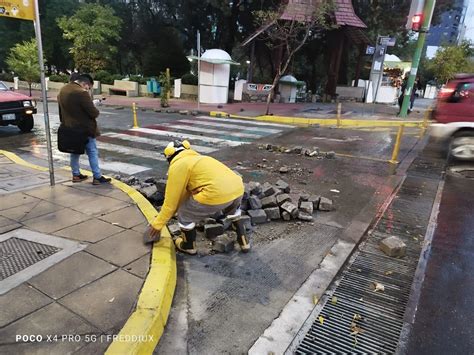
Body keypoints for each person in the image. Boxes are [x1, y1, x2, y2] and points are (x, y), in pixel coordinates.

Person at [145, 140, 250, 255]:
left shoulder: (178, 165)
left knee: (184, 214)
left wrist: (158, 224)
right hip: (237, 188)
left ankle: (188, 246)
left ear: (169, 157)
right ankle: (244, 242)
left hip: (215, 194)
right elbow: (186, 192)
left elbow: (171, 202)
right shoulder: (202, 159)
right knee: (233, 212)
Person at [57, 73, 111, 185]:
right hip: (84, 129)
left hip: (69, 128)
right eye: (89, 87)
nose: (88, 89)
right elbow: (94, 113)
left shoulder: (62, 90)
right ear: (84, 83)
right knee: (92, 151)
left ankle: (76, 175)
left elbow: (62, 112)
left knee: (74, 152)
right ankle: (97, 176)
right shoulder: (81, 93)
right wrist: (94, 105)